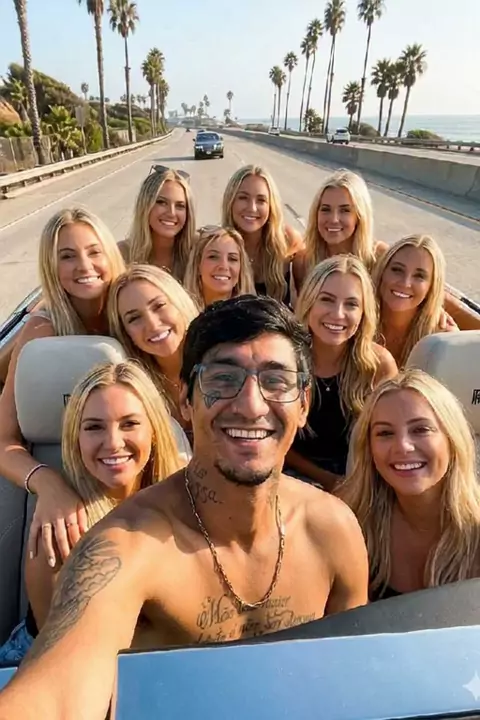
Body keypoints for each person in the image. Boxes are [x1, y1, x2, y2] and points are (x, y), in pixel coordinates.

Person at [0, 295, 369, 719]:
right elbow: (56, 696)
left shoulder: (333, 529)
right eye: (222, 379)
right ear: (185, 400)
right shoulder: (124, 549)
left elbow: (352, 683)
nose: (251, 405)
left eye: (276, 380)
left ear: (303, 404)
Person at [0, 359, 190, 666]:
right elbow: (61, 660)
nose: (113, 443)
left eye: (129, 424)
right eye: (94, 427)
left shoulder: (186, 499)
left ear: (155, 430)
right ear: (75, 438)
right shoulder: (60, 530)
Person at [0, 207, 125, 563]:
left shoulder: (136, 313)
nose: (84, 265)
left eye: (94, 252)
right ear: (51, 267)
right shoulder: (41, 333)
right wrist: (48, 484)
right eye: (67, 256)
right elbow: (3, 438)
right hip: (70, 481)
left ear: (110, 254)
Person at [338, 368, 480, 601]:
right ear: (369, 448)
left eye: (421, 429)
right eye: (385, 433)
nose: (403, 446)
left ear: (452, 439)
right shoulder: (347, 523)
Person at [286, 255, 397, 491]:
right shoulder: (285, 358)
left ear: (363, 312)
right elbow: (273, 439)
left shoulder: (379, 365)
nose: (338, 314)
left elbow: (389, 438)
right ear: (309, 302)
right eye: (327, 299)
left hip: (360, 480)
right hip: (292, 477)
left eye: (351, 304)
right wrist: (327, 481)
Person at [108, 264, 199, 424]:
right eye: (134, 318)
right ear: (125, 332)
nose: (153, 325)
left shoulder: (220, 360)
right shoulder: (131, 389)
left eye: (159, 306)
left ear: (179, 302)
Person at [222, 165, 304, 305]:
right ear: (230, 201)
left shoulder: (288, 240)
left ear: (271, 205)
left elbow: (307, 299)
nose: (252, 208)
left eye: (261, 200)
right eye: (243, 198)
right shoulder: (218, 245)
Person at [373, 234, 458, 367]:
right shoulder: (356, 319)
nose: (405, 283)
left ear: (432, 286)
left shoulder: (442, 340)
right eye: (397, 270)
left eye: (419, 276)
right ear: (382, 271)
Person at [293, 169, 388, 287]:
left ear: (360, 215)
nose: (334, 219)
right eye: (326, 209)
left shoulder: (380, 258)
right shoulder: (303, 262)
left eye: (345, 210)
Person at [123, 165, 195, 282]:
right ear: (145, 205)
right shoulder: (122, 255)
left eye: (180, 206)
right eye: (161, 202)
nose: (171, 213)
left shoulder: (198, 252)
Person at [183, 224, 255, 308]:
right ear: (197, 264)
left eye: (232, 259)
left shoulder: (254, 314)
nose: (224, 266)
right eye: (213, 257)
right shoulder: (179, 312)